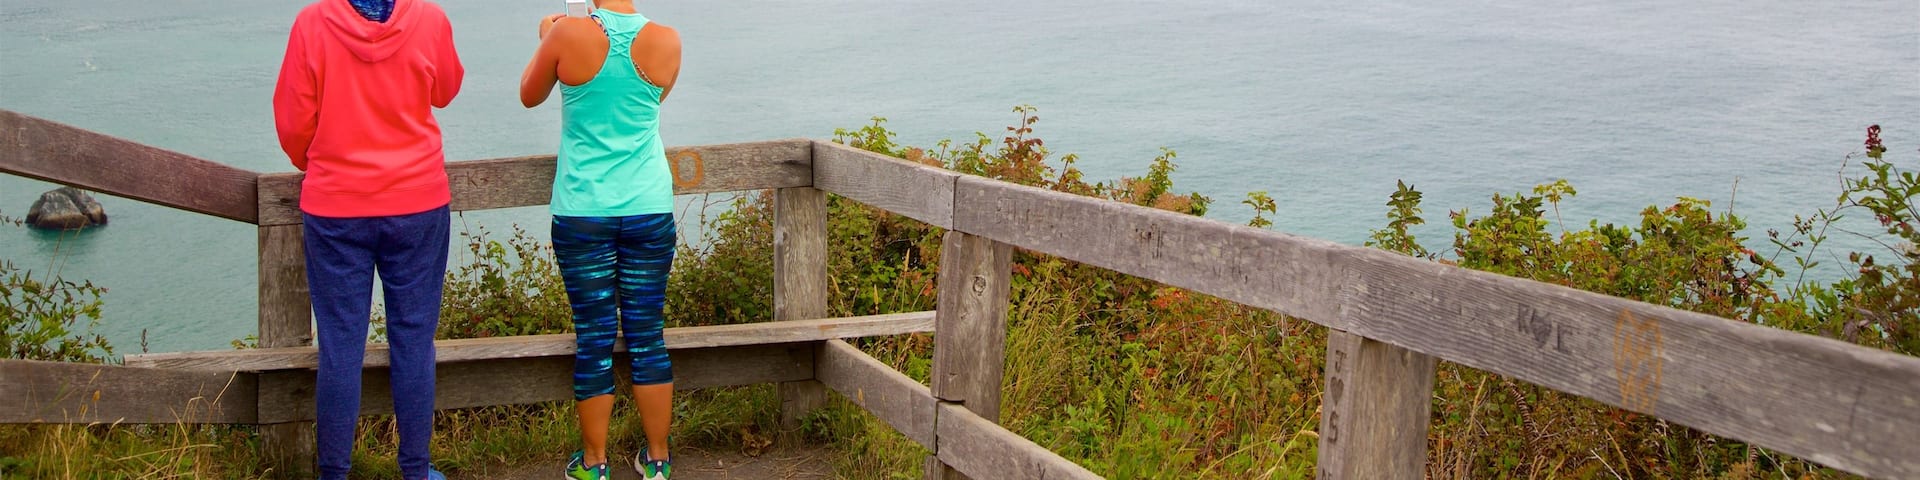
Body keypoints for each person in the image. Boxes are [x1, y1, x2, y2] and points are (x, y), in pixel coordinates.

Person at [272, 0, 463, 478]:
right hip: (417, 202)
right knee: (415, 340)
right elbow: (446, 88)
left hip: (336, 208)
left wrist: (321, 166)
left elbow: (294, 122)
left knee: (340, 345)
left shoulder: (311, 23)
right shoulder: (430, 19)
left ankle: (333, 472)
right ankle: (415, 469)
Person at [518, 1, 683, 479]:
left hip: (583, 211)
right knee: (646, 334)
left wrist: (549, 35)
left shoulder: (566, 32)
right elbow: (649, 100)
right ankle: (657, 460)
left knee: (593, 336)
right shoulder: (668, 39)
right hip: (649, 207)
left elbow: (529, 95)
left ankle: (594, 463)